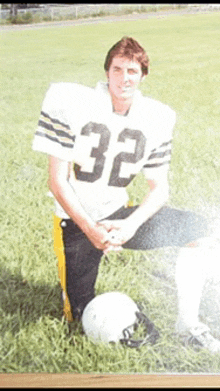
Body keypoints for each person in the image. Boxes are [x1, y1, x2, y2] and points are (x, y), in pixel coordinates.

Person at [32, 36, 220, 353]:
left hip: (119, 214)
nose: (124, 78)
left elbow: (159, 189)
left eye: (132, 71)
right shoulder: (71, 102)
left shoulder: (156, 117)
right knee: (80, 321)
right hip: (75, 222)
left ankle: (188, 324)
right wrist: (92, 230)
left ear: (143, 75)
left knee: (201, 231)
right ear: (107, 72)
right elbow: (57, 182)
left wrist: (130, 225)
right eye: (117, 69)